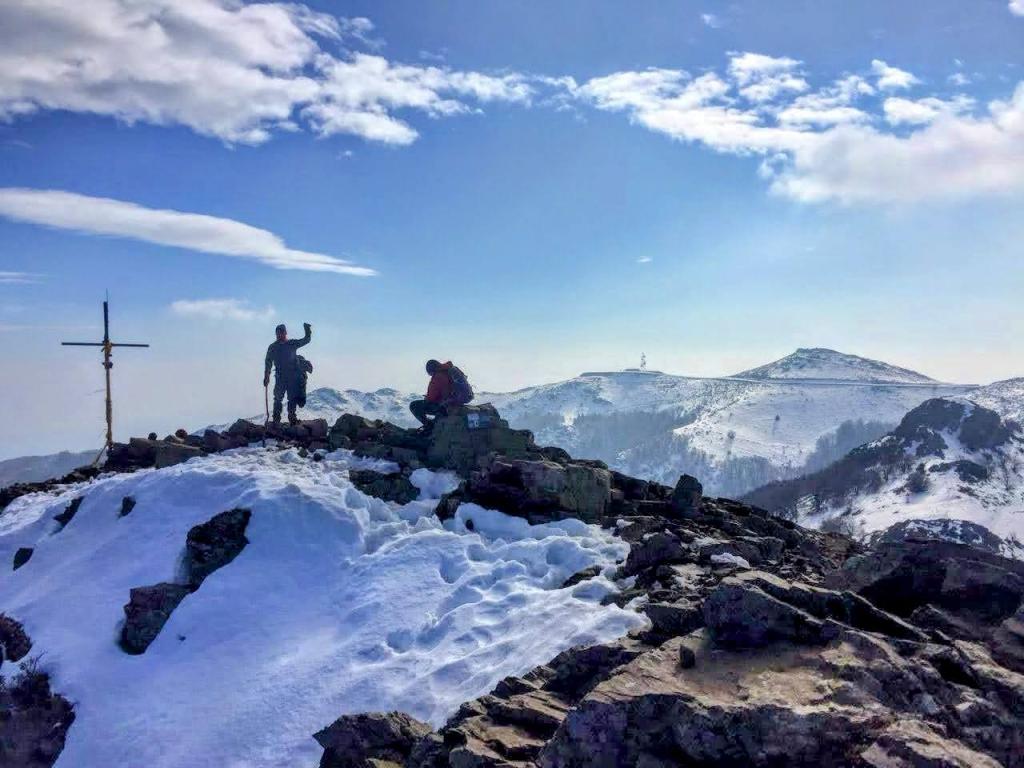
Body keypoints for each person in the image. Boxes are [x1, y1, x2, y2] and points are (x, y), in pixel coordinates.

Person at [263, 322, 312, 425]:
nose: (280, 335)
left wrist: (307, 330)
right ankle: (276, 420)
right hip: (280, 377)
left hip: (292, 377)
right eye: (278, 333)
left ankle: (292, 418)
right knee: (278, 398)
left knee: (292, 398)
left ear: (285, 333)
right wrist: (266, 376)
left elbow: (306, 340)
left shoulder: (291, 344)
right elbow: (268, 362)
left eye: (281, 332)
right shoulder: (273, 347)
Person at [409, 359, 473, 430]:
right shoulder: (451, 370)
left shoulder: (438, 376)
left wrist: (427, 398)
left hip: (447, 406)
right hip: (458, 402)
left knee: (414, 405)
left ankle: (429, 427)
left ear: (431, 370)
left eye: (430, 373)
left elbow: (431, 398)